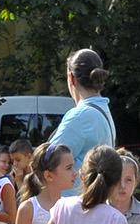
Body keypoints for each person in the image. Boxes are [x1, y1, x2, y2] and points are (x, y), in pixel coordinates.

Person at [46, 50, 117, 188]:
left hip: (71, 199)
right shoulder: (103, 110)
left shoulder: (80, 116)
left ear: (72, 79)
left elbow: (46, 161)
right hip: (93, 197)